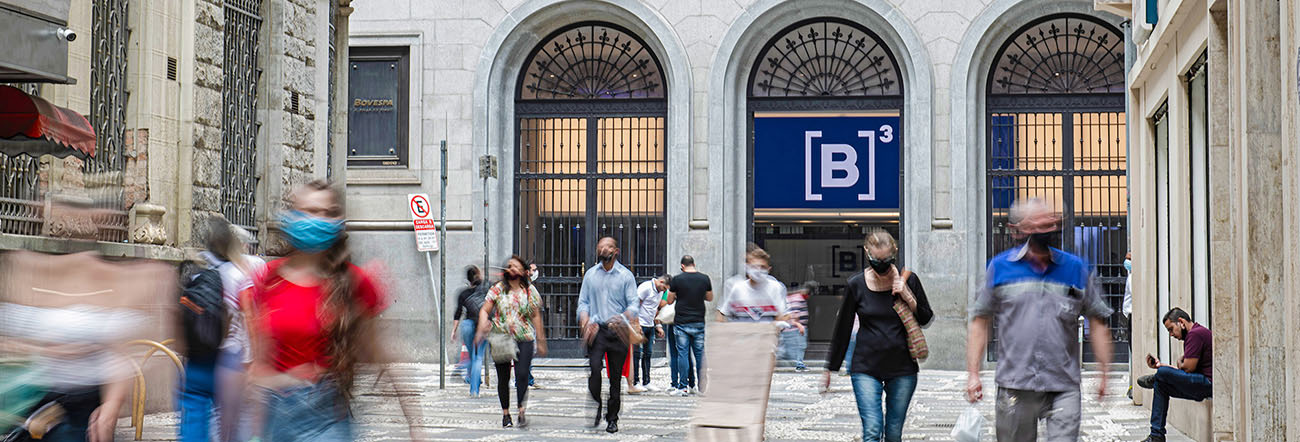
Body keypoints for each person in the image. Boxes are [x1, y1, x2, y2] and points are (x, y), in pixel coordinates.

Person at [247, 180, 425, 442]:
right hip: (277, 418)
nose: (318, 219)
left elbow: (382, 353)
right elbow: (257, 368)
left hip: (327, 416)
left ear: (339, 221)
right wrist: (284, 381)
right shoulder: (269, 279)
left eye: (328, 213)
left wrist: (415, 424)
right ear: (292, 216)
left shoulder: (354, 282)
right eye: (310, 211)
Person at [965, 197, 1113, 442]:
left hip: (1063, 385)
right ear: (1022, 230)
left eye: (1051, 224)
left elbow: (1097, 321)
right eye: (1039, 226)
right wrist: (973, 373)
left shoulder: (1076, 269)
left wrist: (1104, 373)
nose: (1047, 230)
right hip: (1015, 384)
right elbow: (980, 321)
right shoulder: (1000, 268)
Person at [823, 230, 933, 442]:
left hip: (902, 368)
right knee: (872, 430)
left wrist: (908, 296)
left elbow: (926, 318)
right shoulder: (856, 284)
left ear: (894, 253)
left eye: (886, 259)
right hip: (865, 366)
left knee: (893, 433)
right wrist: (830, 368)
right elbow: (843, 328)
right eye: (875, 259)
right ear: (866, 253)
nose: (880, 263)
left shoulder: (909, 280)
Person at [204, 220, 265, 442]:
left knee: (216, 412)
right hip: (234, 354)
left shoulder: (204, 269)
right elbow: (250, 315)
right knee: (240, 411)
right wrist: (257, 356)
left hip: (207, 349)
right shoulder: (244, 272)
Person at [577, 237, 639, 434]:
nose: (604, 249)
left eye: (608, 246)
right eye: (601, 247)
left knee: (615, 378)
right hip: (597, 329)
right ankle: (597, 404)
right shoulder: (590, 275)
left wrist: (622, 317)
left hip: (618, 331)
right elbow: (583, 301)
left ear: (616, 251)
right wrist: (585, 318)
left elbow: (634, 305)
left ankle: (612, 418)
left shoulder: (625, 276)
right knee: (594, 371)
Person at [475, 256, 547, 428]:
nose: (512, 269)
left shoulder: (530, 291)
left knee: (522, 374)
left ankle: (521, 409)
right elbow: (485, 310)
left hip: (525, 337)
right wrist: (482, 325)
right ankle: (506, 413)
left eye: (516, 266)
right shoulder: (498, 289)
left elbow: (536, 315)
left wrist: (541, 339)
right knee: (503, 377)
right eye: (509, 266)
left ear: (523, 271)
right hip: (501, 337)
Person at [1135, 308, 1212, 442]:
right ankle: (1156, 435)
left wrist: (1177, 364)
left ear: (1181, 322)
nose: (1171, 334)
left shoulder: (1195, 334)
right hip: (1199, 384)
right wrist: (1162, 367)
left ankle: (1157, 378)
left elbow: (1188, 368)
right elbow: (1185, 370)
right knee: (1161, 384)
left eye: (1171, 329)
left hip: (1207, 384)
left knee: (1162, 375)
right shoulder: (1193, 335)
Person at [717, 247, 801, 333]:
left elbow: (780, 316)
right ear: (747, 268)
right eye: (754, 267)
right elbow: (722, 314)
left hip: (767, 342)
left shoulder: (775, 288)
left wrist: (785, 321)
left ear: (769, 269)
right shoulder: (738, 288)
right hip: (742, 342)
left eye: (762, 267)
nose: (758, 270)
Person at [666, 255, 711, 395]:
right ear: (694, 264)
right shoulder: (704, 278)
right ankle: (702, 387)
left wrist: (680, 294)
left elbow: (669, 300)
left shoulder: (677, 279)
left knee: (682, 354)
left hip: (681, 322)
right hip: (698, 321)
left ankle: (683, 386)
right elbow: (710, 298)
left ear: (682, 266)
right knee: (699, 355)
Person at [452, 265, 489, 397]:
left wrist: (454, 330)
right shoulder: (485, 291)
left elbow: (458, 313)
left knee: (472, 354)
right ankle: (474, 389)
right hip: (483, 326)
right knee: (478, 357)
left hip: (467, 325)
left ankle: (471, 377)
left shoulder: (463, 293)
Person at [631, 275, 669, 393]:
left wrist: (658, 325)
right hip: (640, 324)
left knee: (648, 354)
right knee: (636, 354)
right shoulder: (646, 287)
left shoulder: (659, 291)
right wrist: (636, 325)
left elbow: (655, 309)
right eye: (664, 288)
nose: (663, 291)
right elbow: (635, 305)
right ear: (661, 281)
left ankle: (647, 381)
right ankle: (635, 382)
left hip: (650, 325)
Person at [780, 282, 813, 371]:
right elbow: (793, 314)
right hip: (795, 328)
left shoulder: (794, 298)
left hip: (794, 328)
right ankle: (798, 364)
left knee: (798, 346)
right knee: (799, 346)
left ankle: (798, 364)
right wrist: (799, 325)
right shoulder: (797, 298)